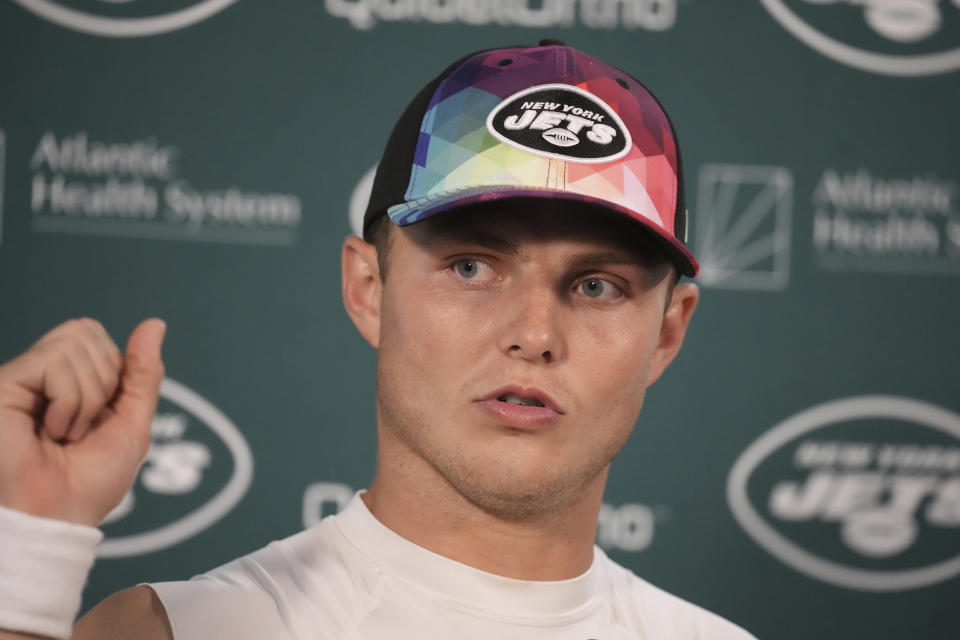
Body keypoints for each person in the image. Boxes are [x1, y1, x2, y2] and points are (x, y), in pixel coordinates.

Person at [0, 41, 757, 639]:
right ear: (368, 289)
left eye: (596, 286)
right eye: (471, 266)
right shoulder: (172, 634)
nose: (534, 334)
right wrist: (28, 557)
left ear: (666, 333)